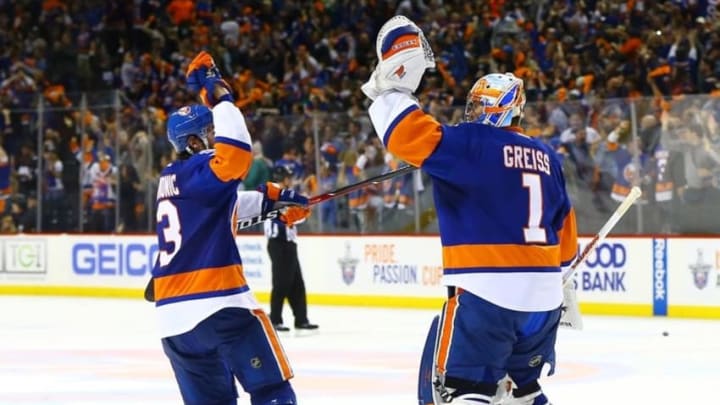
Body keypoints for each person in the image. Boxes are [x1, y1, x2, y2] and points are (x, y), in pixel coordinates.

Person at [361, 16, 577, 405]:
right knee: (524, 390)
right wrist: (561, 281)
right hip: (544, 301)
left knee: (463, 389)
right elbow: (566, 237)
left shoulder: (472, 143)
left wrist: (388, 88)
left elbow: (406, 134)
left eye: (479, 104)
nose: (473, 110)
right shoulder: (548, 157)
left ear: (496, 108)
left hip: (487, 294)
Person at [152, 51, 310, 405]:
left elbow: (226, 209)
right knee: (273, 391)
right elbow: (237, 155)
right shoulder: (203, 165)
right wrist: (220, 96)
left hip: (174, 324)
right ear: (193, 143)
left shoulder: (172, 178)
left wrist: (273, 202)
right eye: (209, 132)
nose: (215, 136)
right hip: (220, 305)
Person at [264, 164, 318, 333]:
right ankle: (275, 319)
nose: (290, 179)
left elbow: (294, 217)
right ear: (282, 178)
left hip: (288, 243)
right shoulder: (274, 192)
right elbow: (284, 217)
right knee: (281, 282)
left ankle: (301, 319)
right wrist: (302, 209)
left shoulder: (285, 194)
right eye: (288, 176)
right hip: (278, 243)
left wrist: (304, 209)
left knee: (296, 283)